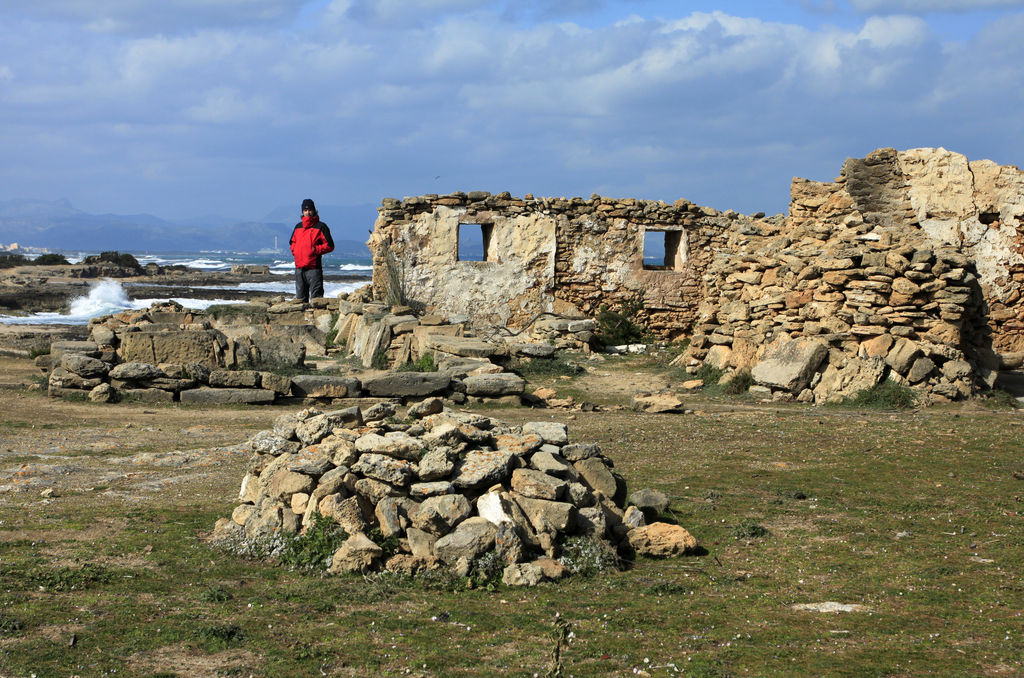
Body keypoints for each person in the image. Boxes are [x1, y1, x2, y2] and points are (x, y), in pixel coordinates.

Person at [289, 198, 334, 302]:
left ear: (314, 211)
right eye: (305, 210)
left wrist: (315, 250)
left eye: (309, 210)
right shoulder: (298, 227)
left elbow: (330, 245)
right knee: (300, 300)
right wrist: (295, 251)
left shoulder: (321, 226)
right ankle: (301, 318)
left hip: (314, 268)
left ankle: (318, 318)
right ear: (302, 212)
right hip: (299, 268)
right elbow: (292, 242)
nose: (307, 212)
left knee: (316, 300)